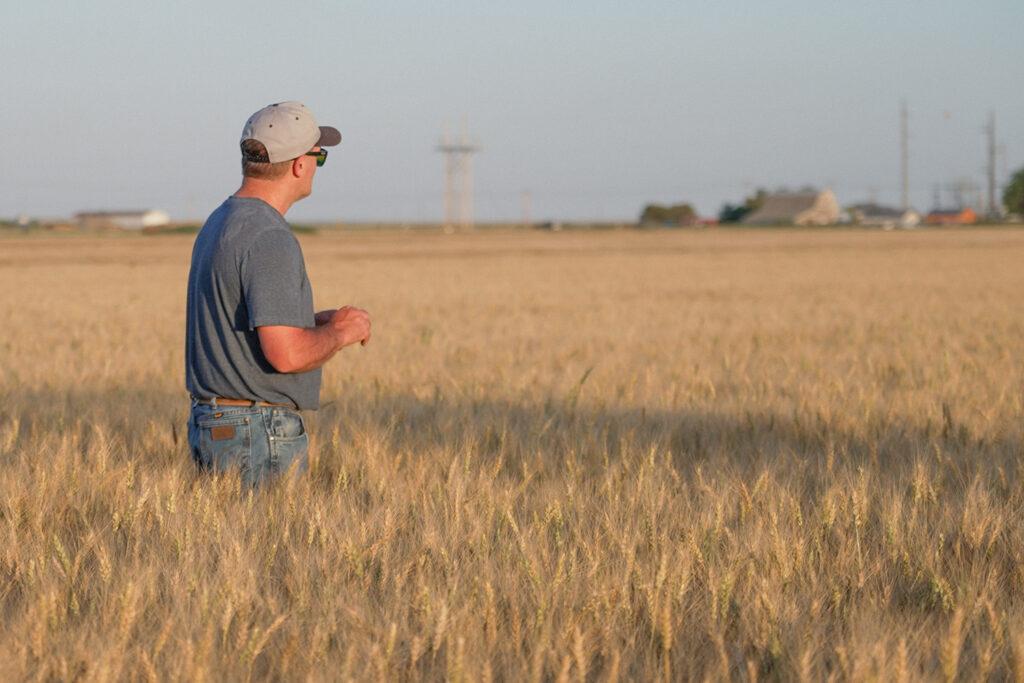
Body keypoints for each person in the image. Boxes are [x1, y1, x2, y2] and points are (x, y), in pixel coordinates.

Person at [185, 101, 371, 486]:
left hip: (216, 423)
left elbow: (241, 323)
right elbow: (286, 355)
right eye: (319, 157)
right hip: (257, 431)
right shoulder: (269, 237)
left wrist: (316, 320)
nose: (315, 168)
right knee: (265, 544)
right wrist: (342, 333)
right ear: (300, 165)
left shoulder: (221, 221)